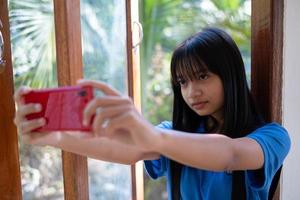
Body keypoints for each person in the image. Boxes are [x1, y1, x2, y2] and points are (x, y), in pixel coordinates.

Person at [14, 28, 290, 200]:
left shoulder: (273, 137)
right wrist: (54, 136)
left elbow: (230, 154)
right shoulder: (174, 132)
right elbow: (121, 150)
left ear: (230, 76)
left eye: (202, 76)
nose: (191, 91)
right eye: (182, 82)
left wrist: (154, 137)